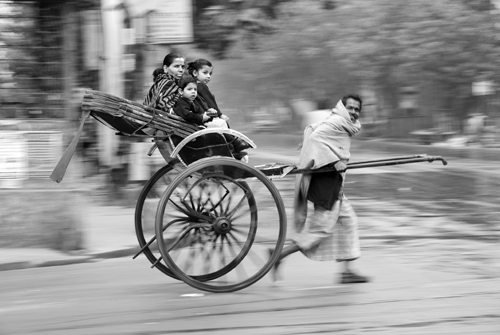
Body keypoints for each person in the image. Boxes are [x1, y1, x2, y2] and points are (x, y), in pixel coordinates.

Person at [269, 94, 370, 284]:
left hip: (333, 182)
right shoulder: (336, 122)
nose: (354, 112)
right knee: (320, 230)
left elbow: (312, 132)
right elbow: (316, 138)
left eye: (357, 109)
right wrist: (333, 160)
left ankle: (347, 271)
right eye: (351, 108)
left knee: (349, 221)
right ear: (342, 107)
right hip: (326, 184)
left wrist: (334, 160)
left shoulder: (341, 124)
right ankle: (278, 255)